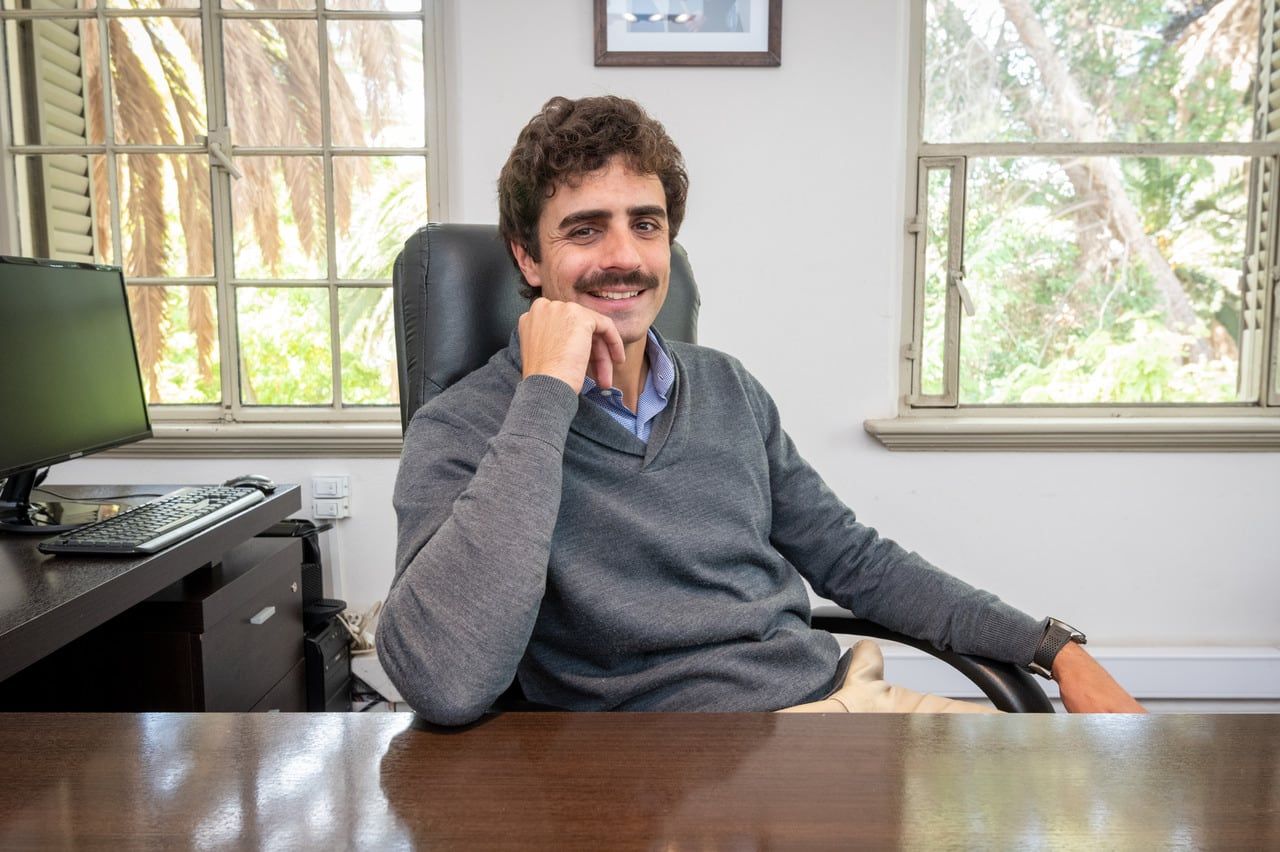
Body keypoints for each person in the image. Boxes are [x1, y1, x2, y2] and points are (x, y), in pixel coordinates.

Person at [376, 95, 1145, 726]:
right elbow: (446, 682)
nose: (625, 257)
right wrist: (545, 392)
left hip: (837, 709)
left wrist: (1052, 648)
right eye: (585, 229)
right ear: (527, 256)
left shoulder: (728, 390)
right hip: (648, 769)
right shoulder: (463, 427)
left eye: (645, 224)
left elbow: (858, 562)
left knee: (1073, 801)